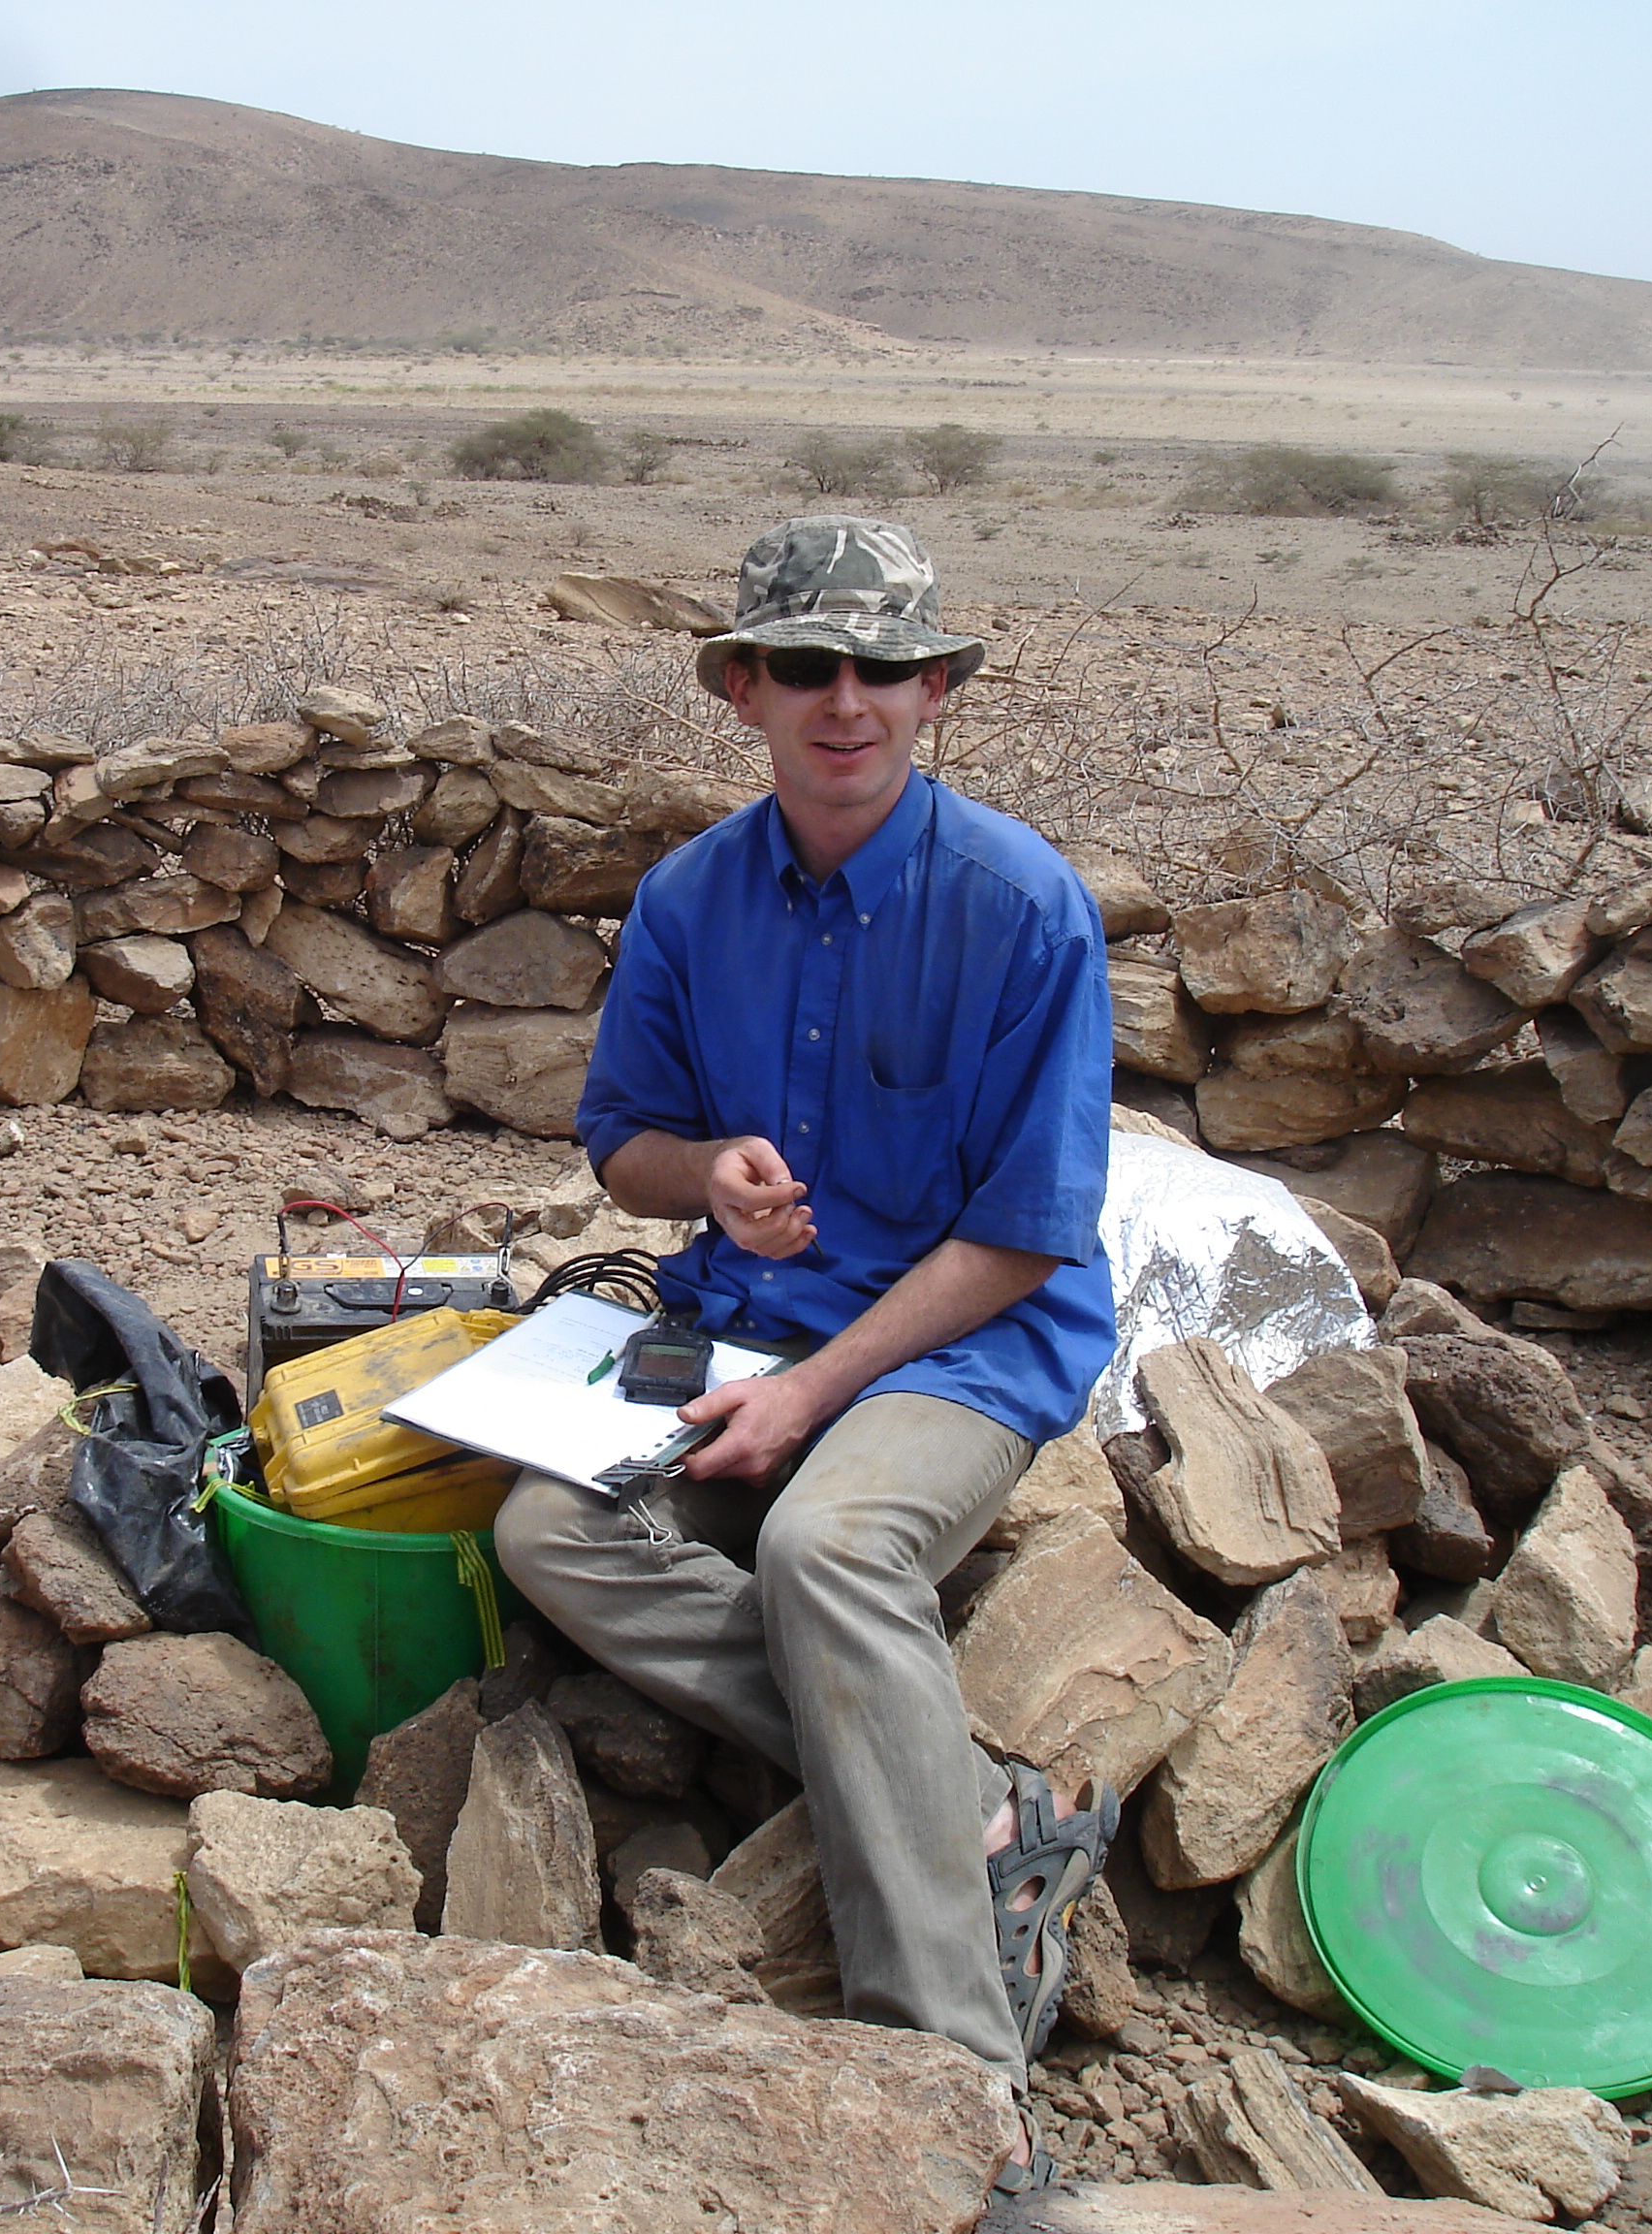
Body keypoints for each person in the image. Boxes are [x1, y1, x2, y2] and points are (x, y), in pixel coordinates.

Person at [493, 515, 1120, 2192]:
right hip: (746, 1322)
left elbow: (1023, 1236)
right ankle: (973, 1804)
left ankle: (962, 2095)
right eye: (808, 668)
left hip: (959, 1350)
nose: (848, 701)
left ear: (932, 696)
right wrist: (707, 1179)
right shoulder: (690, 898)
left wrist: (811, 1394)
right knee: (546, 1529)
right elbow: (621, 1141)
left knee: (835, 1547)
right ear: (741, 690)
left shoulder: (1023, 907)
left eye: (885, 669)